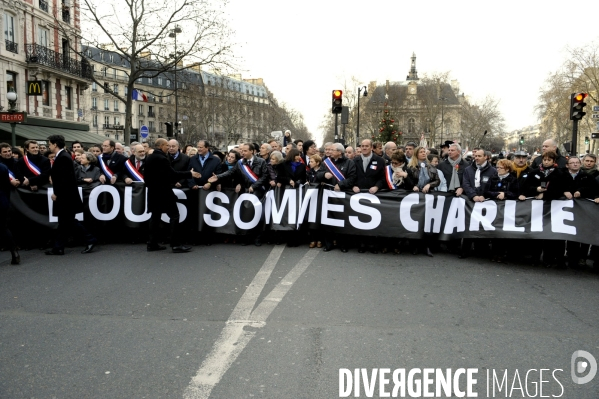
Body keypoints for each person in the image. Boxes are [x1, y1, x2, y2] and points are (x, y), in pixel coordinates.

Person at [145, 138, 200, 253]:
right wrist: (190, 174)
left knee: (155, 217)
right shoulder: (162, 158)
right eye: (166, 145)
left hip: (153, 192)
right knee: (174, 215)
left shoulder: (149, 158)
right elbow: (172, 174)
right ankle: (175, 244)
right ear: (160, 146)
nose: (168, 148)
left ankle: (152, 243)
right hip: (164, 192)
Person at [45, 135, 97, 255]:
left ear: (55, 144)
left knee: (68, 221)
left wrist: (56, 193)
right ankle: (58, 247)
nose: (49, 146)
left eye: (50, 144)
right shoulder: (63, 156)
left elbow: (64, 179)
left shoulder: (63, 157)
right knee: (64, 222)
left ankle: (90, 239)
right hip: (66, 195)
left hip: (65, 196)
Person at [208, 143, 269, 246]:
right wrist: (218, 177)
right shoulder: (240, 163)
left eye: (245, 151)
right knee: (246, 215)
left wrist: (254, 186)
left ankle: (257, 237)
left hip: (258, 191)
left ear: (252, 151)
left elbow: (264, 177)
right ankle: (246, 237)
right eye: (242, 151)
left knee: (258, 215)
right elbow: (230, 172)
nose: (242, 153)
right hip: (245, 191)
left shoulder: (261, 162)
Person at [320, 143, 356, 252]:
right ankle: (328, 244)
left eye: (333, 150)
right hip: (328, 194)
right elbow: (318, 174)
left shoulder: (349, 163)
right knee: (328, 220)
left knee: (342, 220)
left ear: (339, 152)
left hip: (342, 195)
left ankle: (343, 244)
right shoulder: (326, 163)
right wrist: (323, 175)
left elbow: (352, 178)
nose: (330, 152)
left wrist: (341, 184)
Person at [352, 139, 386, 253]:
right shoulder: (355, 160)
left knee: (373, 220)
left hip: (374, 195)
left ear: (371, 147)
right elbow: (352, 176)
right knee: (361, 218)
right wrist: (353, 186)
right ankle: (362, 244)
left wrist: (377, 187)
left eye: (367, 146)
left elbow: (383, 178)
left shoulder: (380, 161)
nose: (364, 148)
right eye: (362, 146)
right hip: (359, 194)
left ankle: (373, 245)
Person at [407, 146, 440, 257]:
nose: (423, 153)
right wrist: (414, 186)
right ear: (416, 154)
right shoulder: (411, 167)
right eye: (421, 152)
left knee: (427, 223)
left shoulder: (430, 167)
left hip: (428, 196)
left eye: (424, 152)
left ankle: (427, 247)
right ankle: (414, 246)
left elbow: (437, 180)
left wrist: (429, 185)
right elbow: (409, 181)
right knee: (416, 221)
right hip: (415, 197)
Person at [484, 159, 518, 263]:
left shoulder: (513, 179)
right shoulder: (493, 177)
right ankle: (494, 253)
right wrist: (496, 194)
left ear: (507, 169)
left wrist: (506, 194)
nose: (497, 169)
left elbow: (516, 193)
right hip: (494, 207)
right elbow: (486, 191)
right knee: (495, 230)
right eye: (497, 167)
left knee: (504, 231)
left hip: (507, 208)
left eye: (500, 167)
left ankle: (502, 253)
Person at [0, 161, 19, 264]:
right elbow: (6, 186)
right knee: (4, 227)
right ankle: (14, 252)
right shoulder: (2, 167)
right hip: (2, 201)